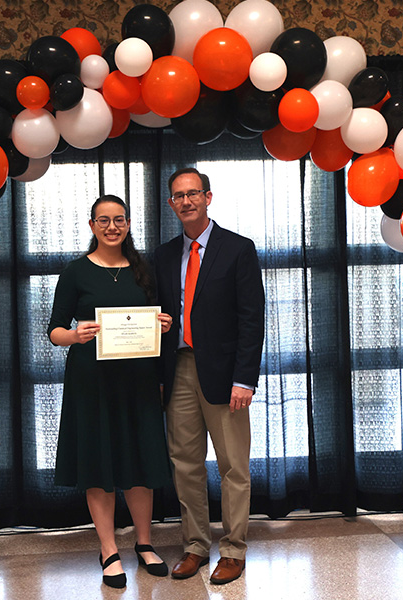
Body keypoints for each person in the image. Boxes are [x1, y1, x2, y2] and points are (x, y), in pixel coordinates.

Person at [48, 195, 174, 589]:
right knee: (99, 464)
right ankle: (108, 549)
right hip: (92, 382)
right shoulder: (75, 272)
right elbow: (54, 332)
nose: (112, 227)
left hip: (138, 379)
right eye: (103, 220)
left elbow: (155, 317)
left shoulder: (144, 270)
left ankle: (144, 543)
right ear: (91, 226)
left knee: (140, 462)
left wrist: (163, 325)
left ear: (129, 223)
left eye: (119, 219)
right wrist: (75, 334)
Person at [154, 168, 265, 585]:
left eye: (193, 194)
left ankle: (233, 550)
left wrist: (245, 379)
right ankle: (196, 546)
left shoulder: (238, 249)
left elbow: (251, 320)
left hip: (225, 373)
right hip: (178, 367)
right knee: (185, 463)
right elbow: (158, 314)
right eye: (178, 196)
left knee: (234, 465)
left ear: (208, 197)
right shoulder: (164, 255)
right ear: (171, 204)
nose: (186, 202)